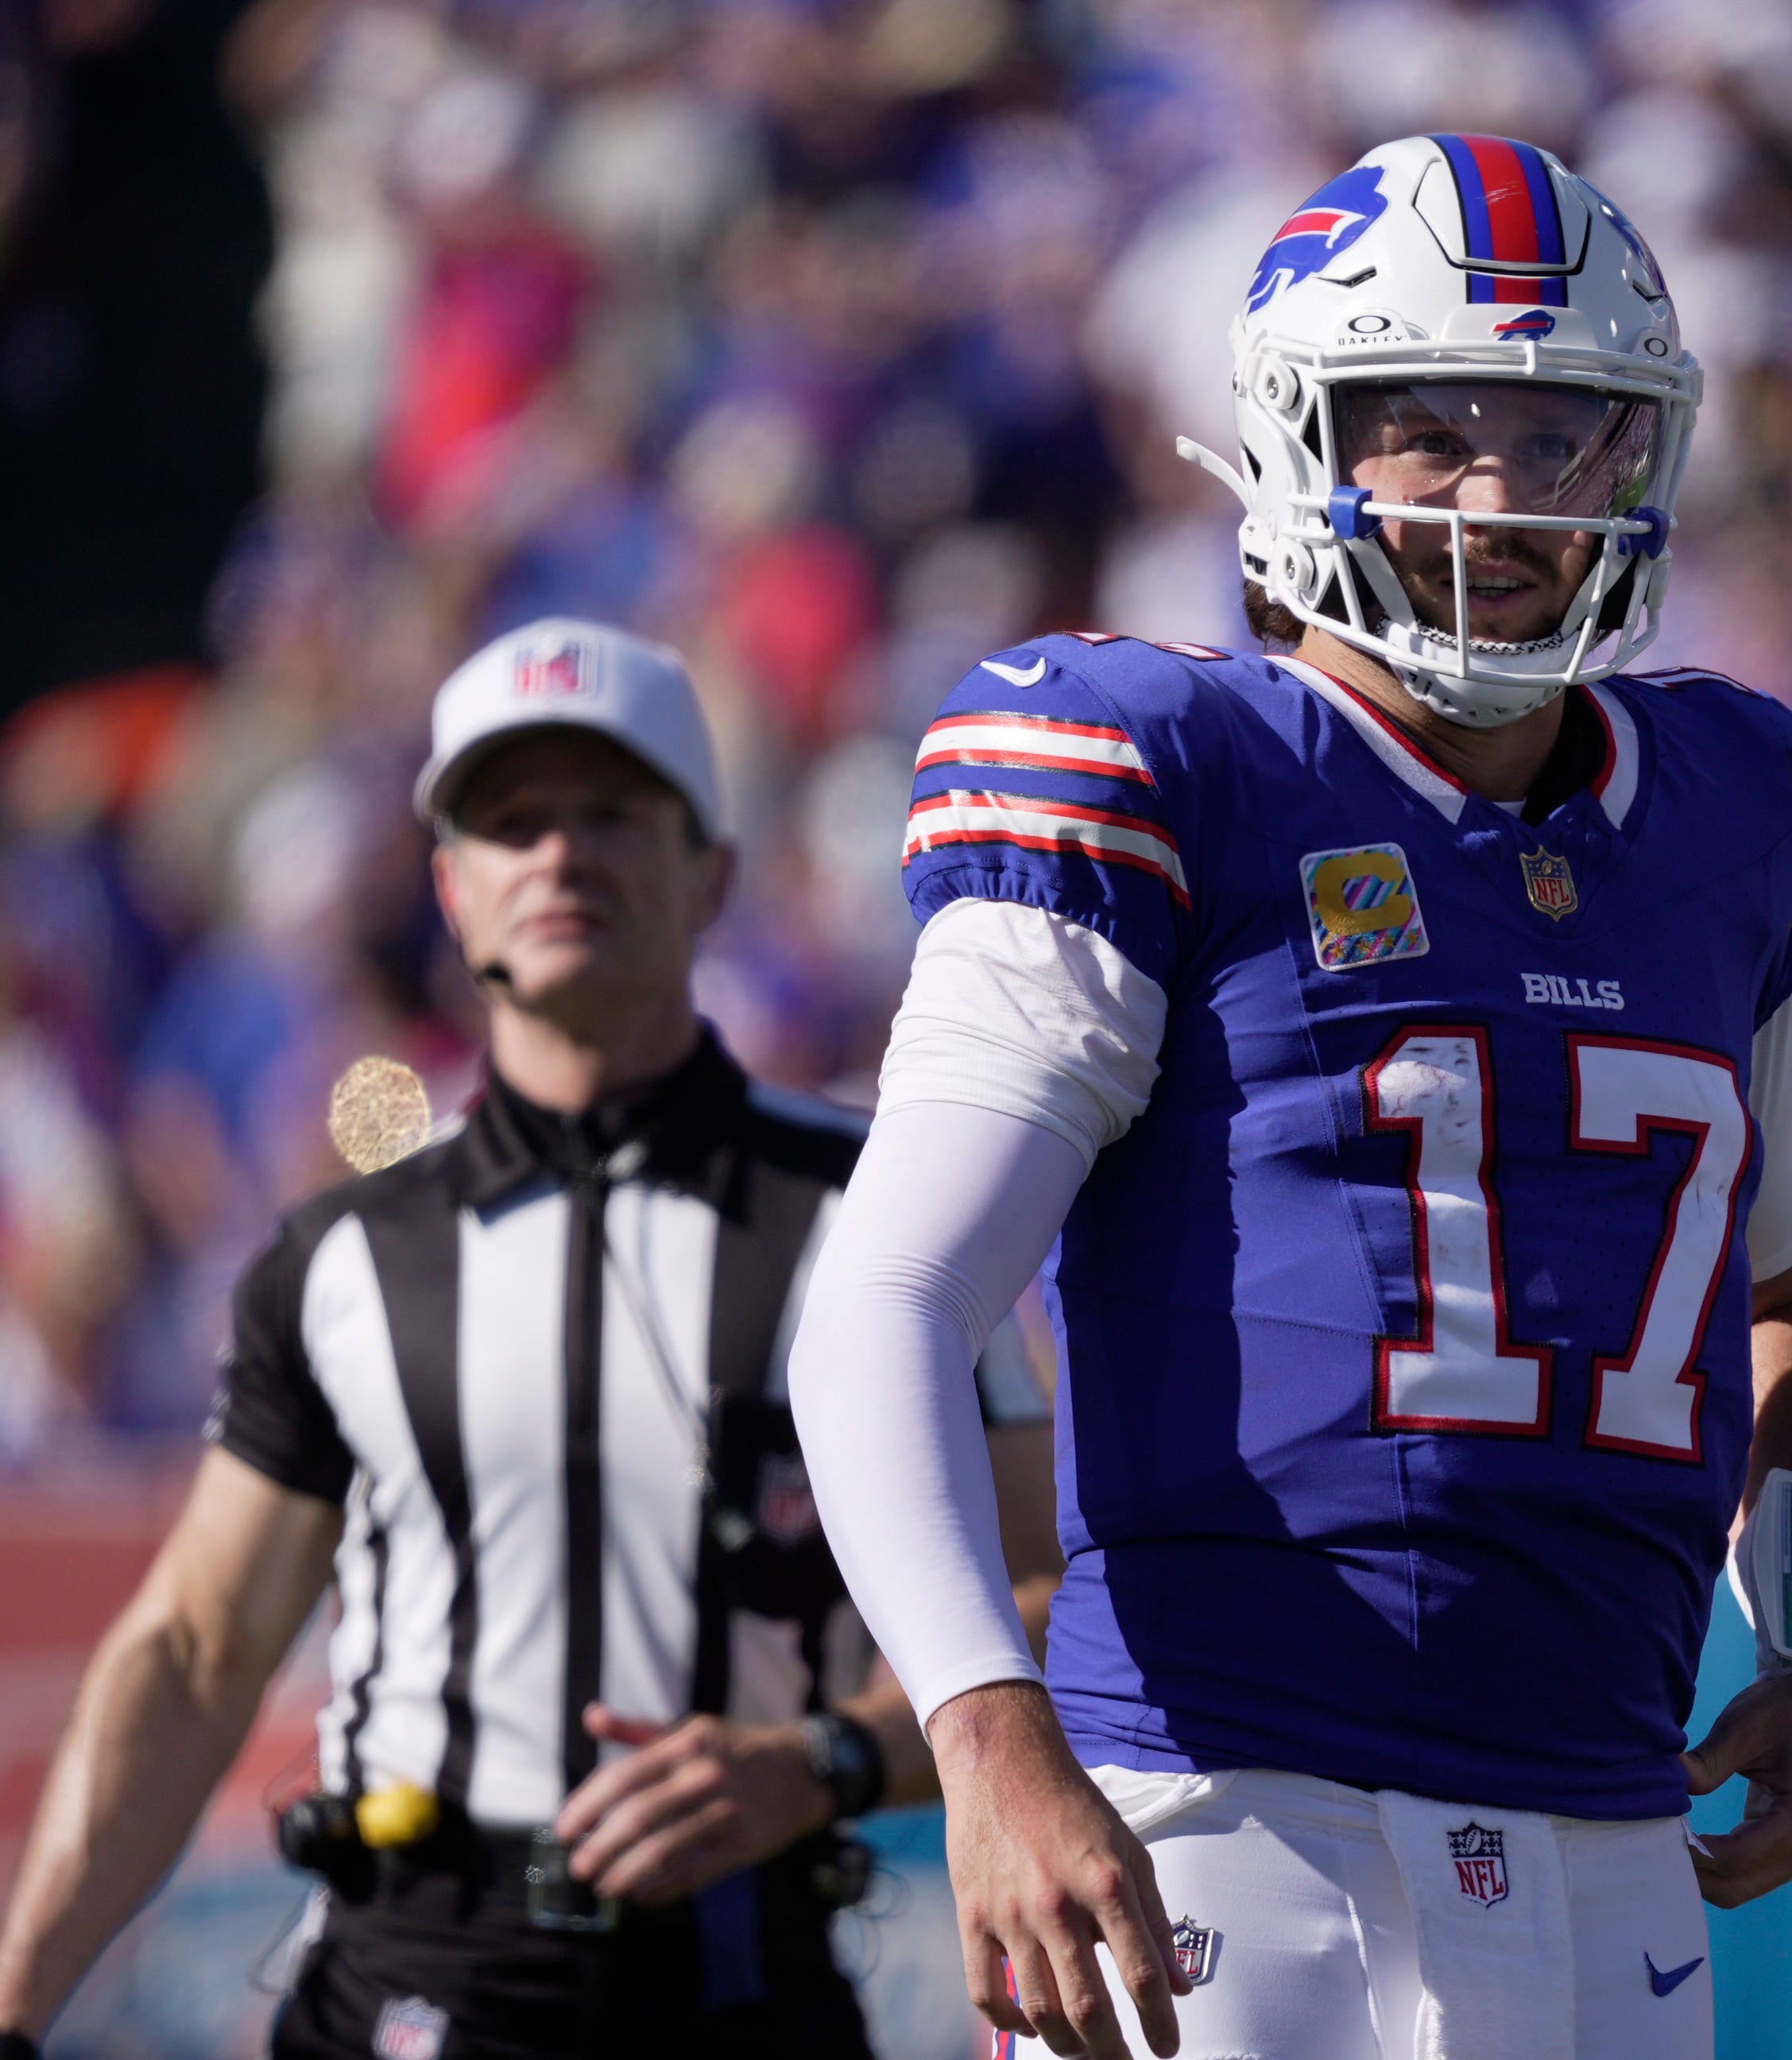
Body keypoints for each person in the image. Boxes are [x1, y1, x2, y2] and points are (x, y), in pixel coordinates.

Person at [788, 134, 1792, 2060]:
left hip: (1613, 1830)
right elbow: (883, 1300)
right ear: (1297, 443)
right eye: (1426, 431)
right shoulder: (1165, 766)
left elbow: (1784, 1298)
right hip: (1227, 1825)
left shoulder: (1733, 812)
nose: (1499, 497)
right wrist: (988, 1743)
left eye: (1561, 439)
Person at [0, 619, 1063, 2060]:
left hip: (746, 1976)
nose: (560, 856)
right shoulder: (342, 1255)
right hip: (405, 1979)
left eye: (613, 813)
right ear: (450, 889)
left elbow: (1045, 1598)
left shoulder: (882, 1219)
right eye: (511, 823)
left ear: (714, 875)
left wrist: (816, 1764)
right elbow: (196, 1649)